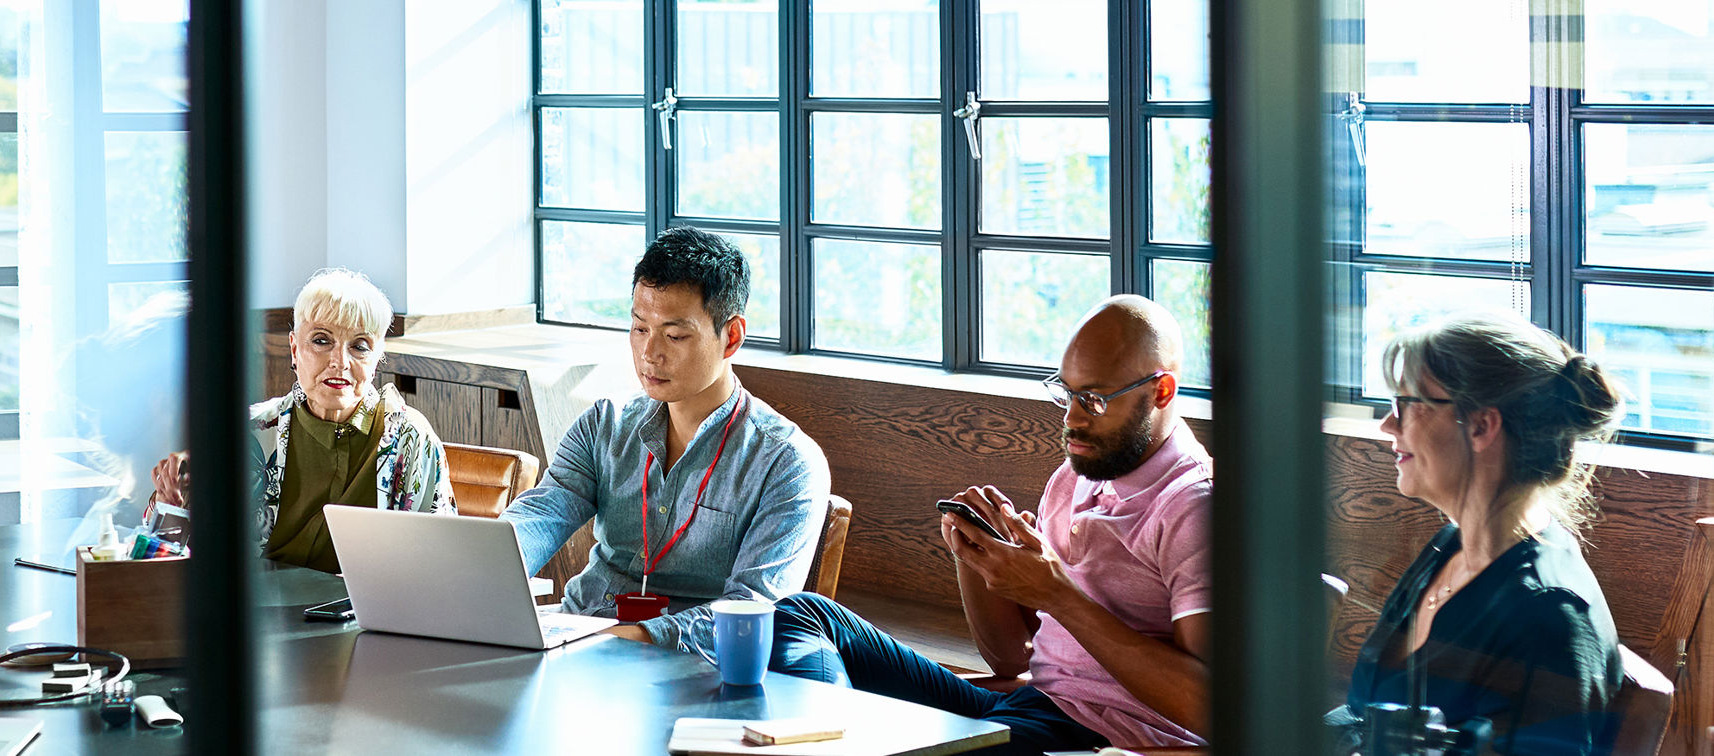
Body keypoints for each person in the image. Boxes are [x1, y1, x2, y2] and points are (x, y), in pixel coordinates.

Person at [756, 295, 1215, 754]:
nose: (1071, 419)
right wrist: (981, 561)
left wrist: (1058, 593)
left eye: (1093, 400)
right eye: (1066, 393)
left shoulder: (1193, 509)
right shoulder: (1078, 473)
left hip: (1094, 740)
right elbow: (1010, 657)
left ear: (1161, 392)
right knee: (803, 615)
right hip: (1020, 708)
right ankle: (818, 742)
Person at [502, 227, 832, 654]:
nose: (649, 353)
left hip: (690, 669)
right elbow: (538, 518)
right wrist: (484, 571)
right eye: (640, 329)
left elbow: (749, 608)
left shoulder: (785, 462)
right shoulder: (604, 425)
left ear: (731, 336)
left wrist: (616, 637)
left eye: (674, 335)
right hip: (574, 640)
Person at [1335, 315, 1630, 756]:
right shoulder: (1450, 546)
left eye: (1405, 406)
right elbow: (1364, 716)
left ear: (1480, 427)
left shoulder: (1549, 616)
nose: (1387, 426)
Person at [147, 269, 450, 572]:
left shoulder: (411, 440)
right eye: (321, 341)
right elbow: (165, 561)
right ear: (294, 349)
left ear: (376, 358)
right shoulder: (248, 435)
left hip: (370, 617)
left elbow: (441, 563)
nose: (340, 362)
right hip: (258, 617)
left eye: (359, 346)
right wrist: (172, 503)